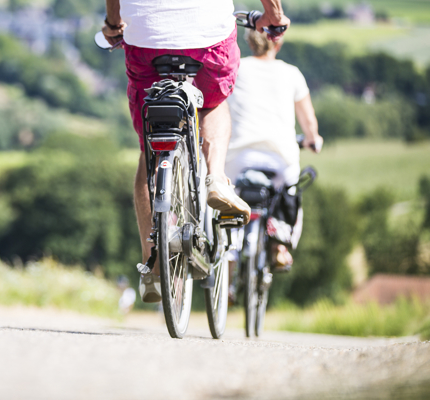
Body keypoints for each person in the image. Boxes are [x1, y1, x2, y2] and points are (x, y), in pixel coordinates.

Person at [102, 0, 291, 302]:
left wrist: (114, 23)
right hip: (207, 35)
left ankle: (153, 265)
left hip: (145, 37)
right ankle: (215, 178)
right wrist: (273, 13)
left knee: (149, 150)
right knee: (214, 102)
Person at [225, 28, 323, 269]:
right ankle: (279, 246)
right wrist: (313, 139)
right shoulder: (292, 73)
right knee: (289, 192)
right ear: (277, 45)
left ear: (249, 43)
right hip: (279, 158)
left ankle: (227, 254)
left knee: (228, 197)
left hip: (238, 157)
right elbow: (308, 121)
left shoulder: (235, 68)